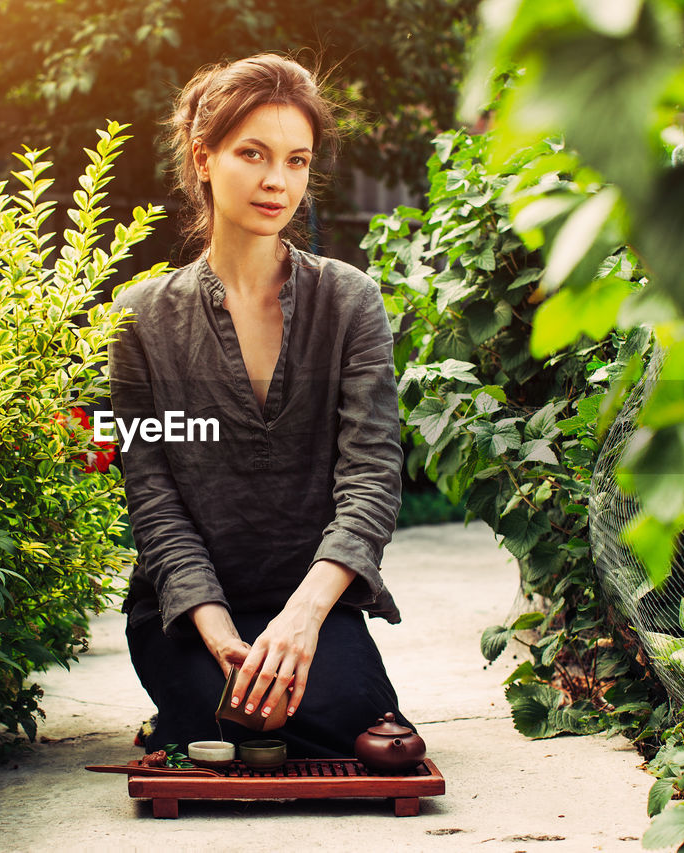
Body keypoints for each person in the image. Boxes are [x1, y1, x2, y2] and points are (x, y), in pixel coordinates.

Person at [108, 53, 412, 758]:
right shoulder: (140, 319)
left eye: (297, 160)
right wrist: (216, 628)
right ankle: (188, 708)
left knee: (352, 718)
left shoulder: (350, 301)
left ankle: (203, 717)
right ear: (204, 158)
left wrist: (304, 616)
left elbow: (371, 476)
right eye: (253, 153)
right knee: (241, 714)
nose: (278, 181)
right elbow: (150, 493)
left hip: (310, 598)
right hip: (188, 609)